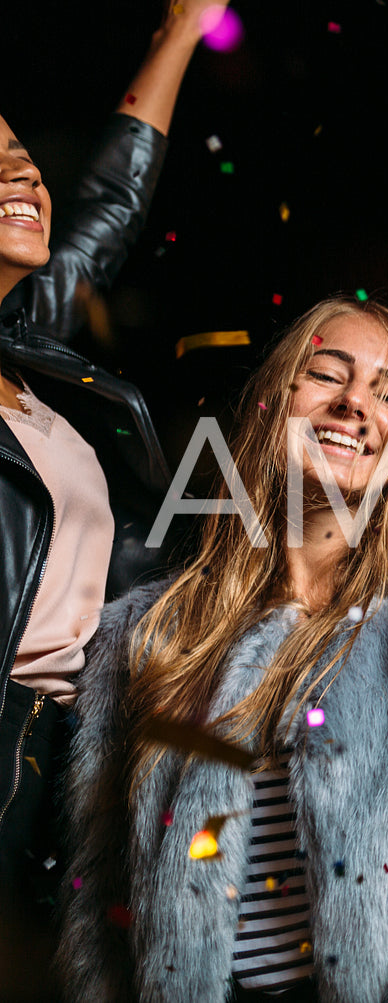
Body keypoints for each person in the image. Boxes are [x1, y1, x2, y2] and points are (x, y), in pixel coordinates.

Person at [57, 297, 388, 1001]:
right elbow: (101, 911)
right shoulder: (153, 633)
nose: (354, 404)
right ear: (275, 400)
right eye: (326, 375)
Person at [2, 6, 236, 994]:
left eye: (17, 153)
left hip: (74, 760)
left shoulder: (24, 358)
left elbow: (101, 217)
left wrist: (182, 28)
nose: (21, 174)